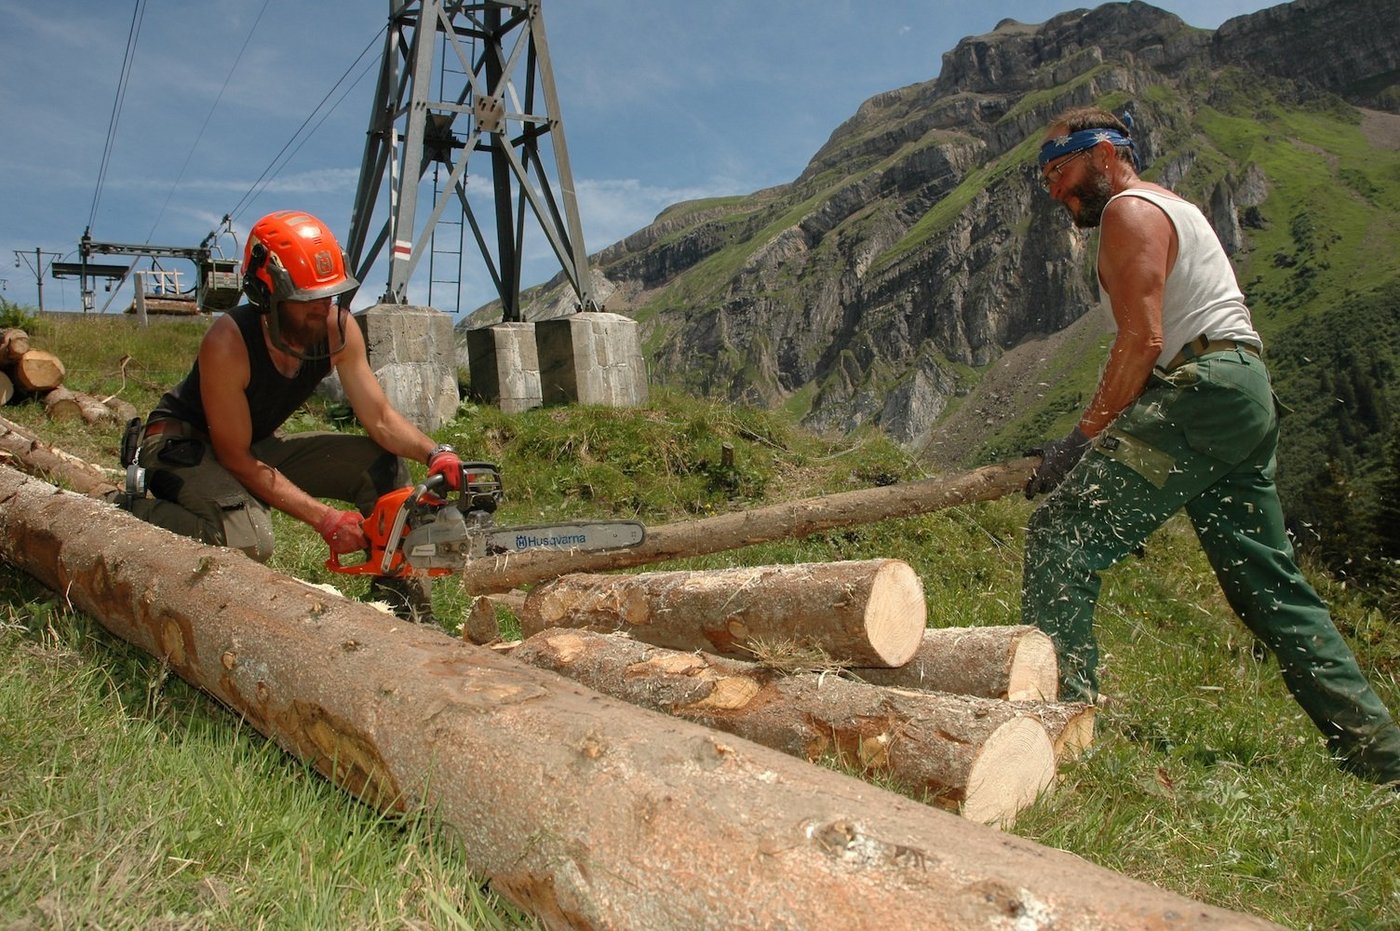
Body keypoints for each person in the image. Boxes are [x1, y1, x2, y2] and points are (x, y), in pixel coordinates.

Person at [1021, 107, 1400, 787]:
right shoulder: (1171, 209)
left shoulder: (1129, 213)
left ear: (1105, 155)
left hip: (1203, 389)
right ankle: (1381, 759)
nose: (1055, 191)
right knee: (1270, 591)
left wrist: (1080, 440)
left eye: (1061, 171)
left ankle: (1057, 733)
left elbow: (1140, 341)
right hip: (1240, 390)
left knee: (1063, 532)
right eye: (1046, 178)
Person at [117, 209, 462, 623]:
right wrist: (326, 519)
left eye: (329, 297)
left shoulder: (337, 329)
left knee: (383, 469)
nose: (322, 310)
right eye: (307, 301)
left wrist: (435, 453)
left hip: (250, 443)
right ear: (269, 296)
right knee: (247, 540)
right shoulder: (228, 342)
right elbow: (234, 457)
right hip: (183, 444)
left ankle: (401, 604)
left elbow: (381, 417)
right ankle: (124, 511)